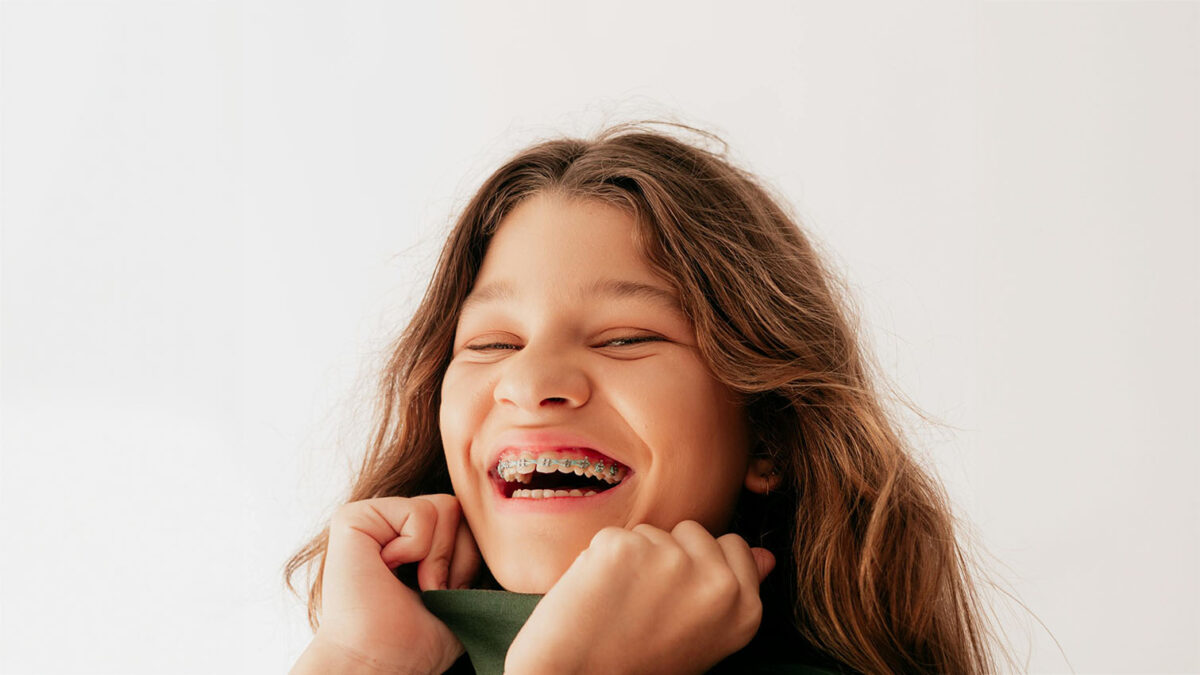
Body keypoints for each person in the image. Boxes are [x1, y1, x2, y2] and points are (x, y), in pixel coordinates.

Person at [284, 121, 1002, 674]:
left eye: (625, 338)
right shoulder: (383, 646)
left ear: (771, 435)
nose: (530, 384)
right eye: (492, 344)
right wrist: (359, 658)